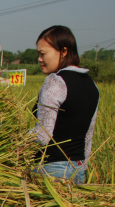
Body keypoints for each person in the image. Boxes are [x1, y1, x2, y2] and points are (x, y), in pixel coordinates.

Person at [30, 25, 99, 184]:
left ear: (64, 51)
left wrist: (15, 141)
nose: (39, 59)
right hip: (78, 169)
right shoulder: (91, 85)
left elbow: (42, 135)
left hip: (50, 170)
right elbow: (88, 135)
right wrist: (81, 168)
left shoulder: (54, 82)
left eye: (43, 54)